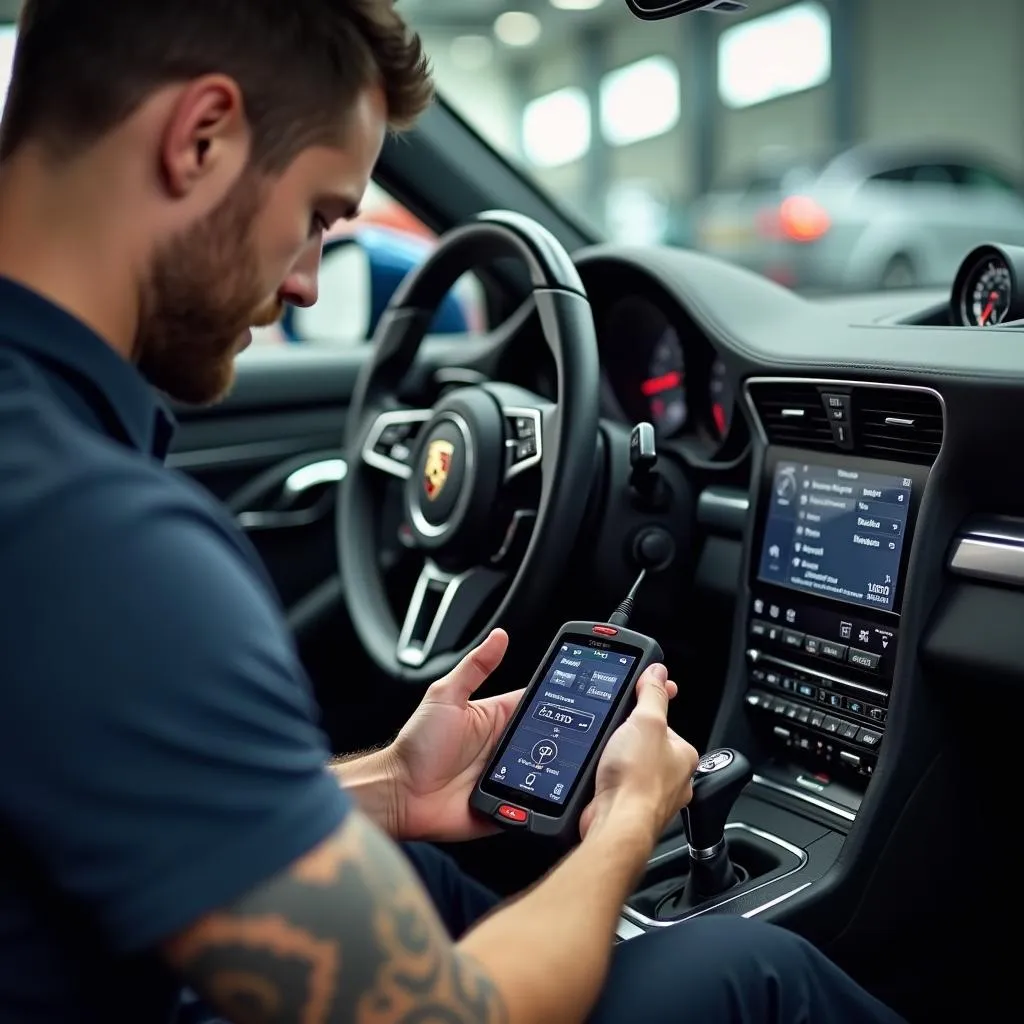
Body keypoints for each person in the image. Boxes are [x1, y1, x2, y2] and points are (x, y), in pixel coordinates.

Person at [0, 2, 907, 1022]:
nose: (305, 283)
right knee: (745, 973)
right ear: (200, 137)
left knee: (441, 892)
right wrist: (626, 819)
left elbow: (97, 788)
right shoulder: (99, 545)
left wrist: (387, 785)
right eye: (316, 216)